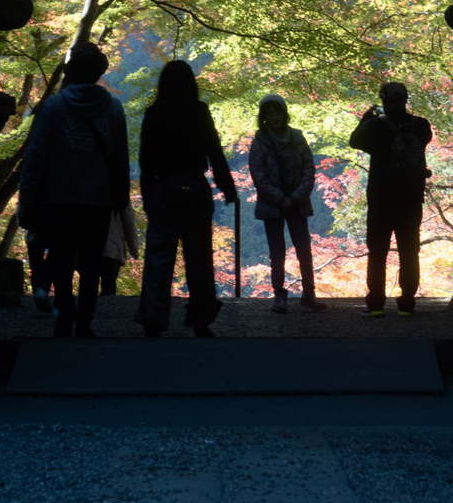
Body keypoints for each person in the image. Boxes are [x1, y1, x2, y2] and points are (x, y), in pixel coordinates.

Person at [19, 42, 130, 337]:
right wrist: (121, 195)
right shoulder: (114, 109)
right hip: (98, 198)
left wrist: (26, 195)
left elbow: (37, 154)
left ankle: (64, 310)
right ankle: (85, 318)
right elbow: (121, 157)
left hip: (60, 197)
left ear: (70, 72)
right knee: (92, 260)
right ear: (98, 72)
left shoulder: (54, 106)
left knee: (62, 255)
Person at [134, 60, 237, 338]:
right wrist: (228, 188)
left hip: (164, 191)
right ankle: (200, 322)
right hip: (195, 192)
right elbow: (214, 151)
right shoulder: (199, 111)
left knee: (159, 258)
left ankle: (154, 320)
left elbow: (145, 161)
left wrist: (147, 197)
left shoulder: (154, 113)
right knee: (199, 258)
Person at [349, 81, 432, 317]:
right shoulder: (421, 126)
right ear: (405, 100)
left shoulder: (375, 126)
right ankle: (407, 304)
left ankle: (376, 304)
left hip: (380, 199)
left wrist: (366, 118)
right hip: (411, 200)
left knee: (377, 252)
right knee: (409, 251)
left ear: (384, 100)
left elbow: (355, 142)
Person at [248, 93, 326, 314]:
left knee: (304, 250)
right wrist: (280, 199)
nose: (274, 117)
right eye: (269, 114)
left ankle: (309, 293)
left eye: (277, 112)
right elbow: (258, 176)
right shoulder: (260, 142)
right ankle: (279, 295)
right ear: (263, 117)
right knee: (277, 252)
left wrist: (294, 198)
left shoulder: (298, 138)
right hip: (273, 206)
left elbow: (309, 172)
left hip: (297, 203)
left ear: (284, 113)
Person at [99, 201, 139, 295]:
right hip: (111, 246)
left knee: (88, 284)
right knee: (108, 287)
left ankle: (87, 307)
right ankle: (107, 308)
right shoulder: (120, 192)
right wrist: (133, 248)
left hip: (86, 246)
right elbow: (128, 222)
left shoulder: (84, 189)